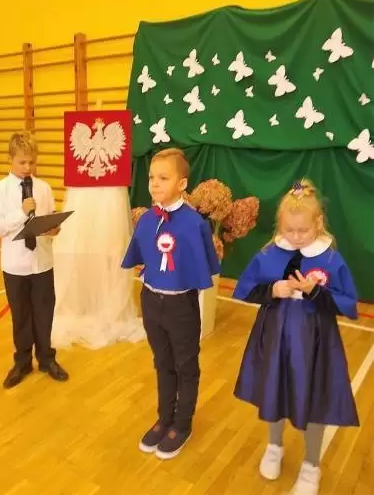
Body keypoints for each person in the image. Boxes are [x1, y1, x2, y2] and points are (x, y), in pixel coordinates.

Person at [233, 179, 359, 495]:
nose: (296, 236)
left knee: (315, 396)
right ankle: (274, 446)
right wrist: (273, 289)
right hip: (275, 335)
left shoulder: (330, 258)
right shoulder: (269, 252)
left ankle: (312, 464)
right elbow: (246, 288)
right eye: (289, 230)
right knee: (273, 387)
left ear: (318, 223)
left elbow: (347, 303)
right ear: (280, 225)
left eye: (303, 230)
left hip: (315, 341)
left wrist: (316, 292)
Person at [121, 148, 221, 460]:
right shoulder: (147, 220)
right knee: (162, 362)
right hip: (151, 301)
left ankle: (182, 423)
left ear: (182, 183)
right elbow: (141, 257)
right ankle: (164, 418)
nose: (154, 183)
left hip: (181, 307)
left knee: (185, 366)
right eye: (151, 177)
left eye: (163, 178)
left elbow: (205, 264)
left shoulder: (194, 224)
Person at [0, 131, 69, 389]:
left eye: (32, 162)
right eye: (22, 162)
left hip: (43, 263)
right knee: (21, 316)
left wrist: (54, 228)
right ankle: (22, 362)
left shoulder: (44, 188)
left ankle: (46, 359)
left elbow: (49, 217)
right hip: (15, 266)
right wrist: (21, 213)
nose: (27, 167)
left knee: (44, 314)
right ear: (10, 158)